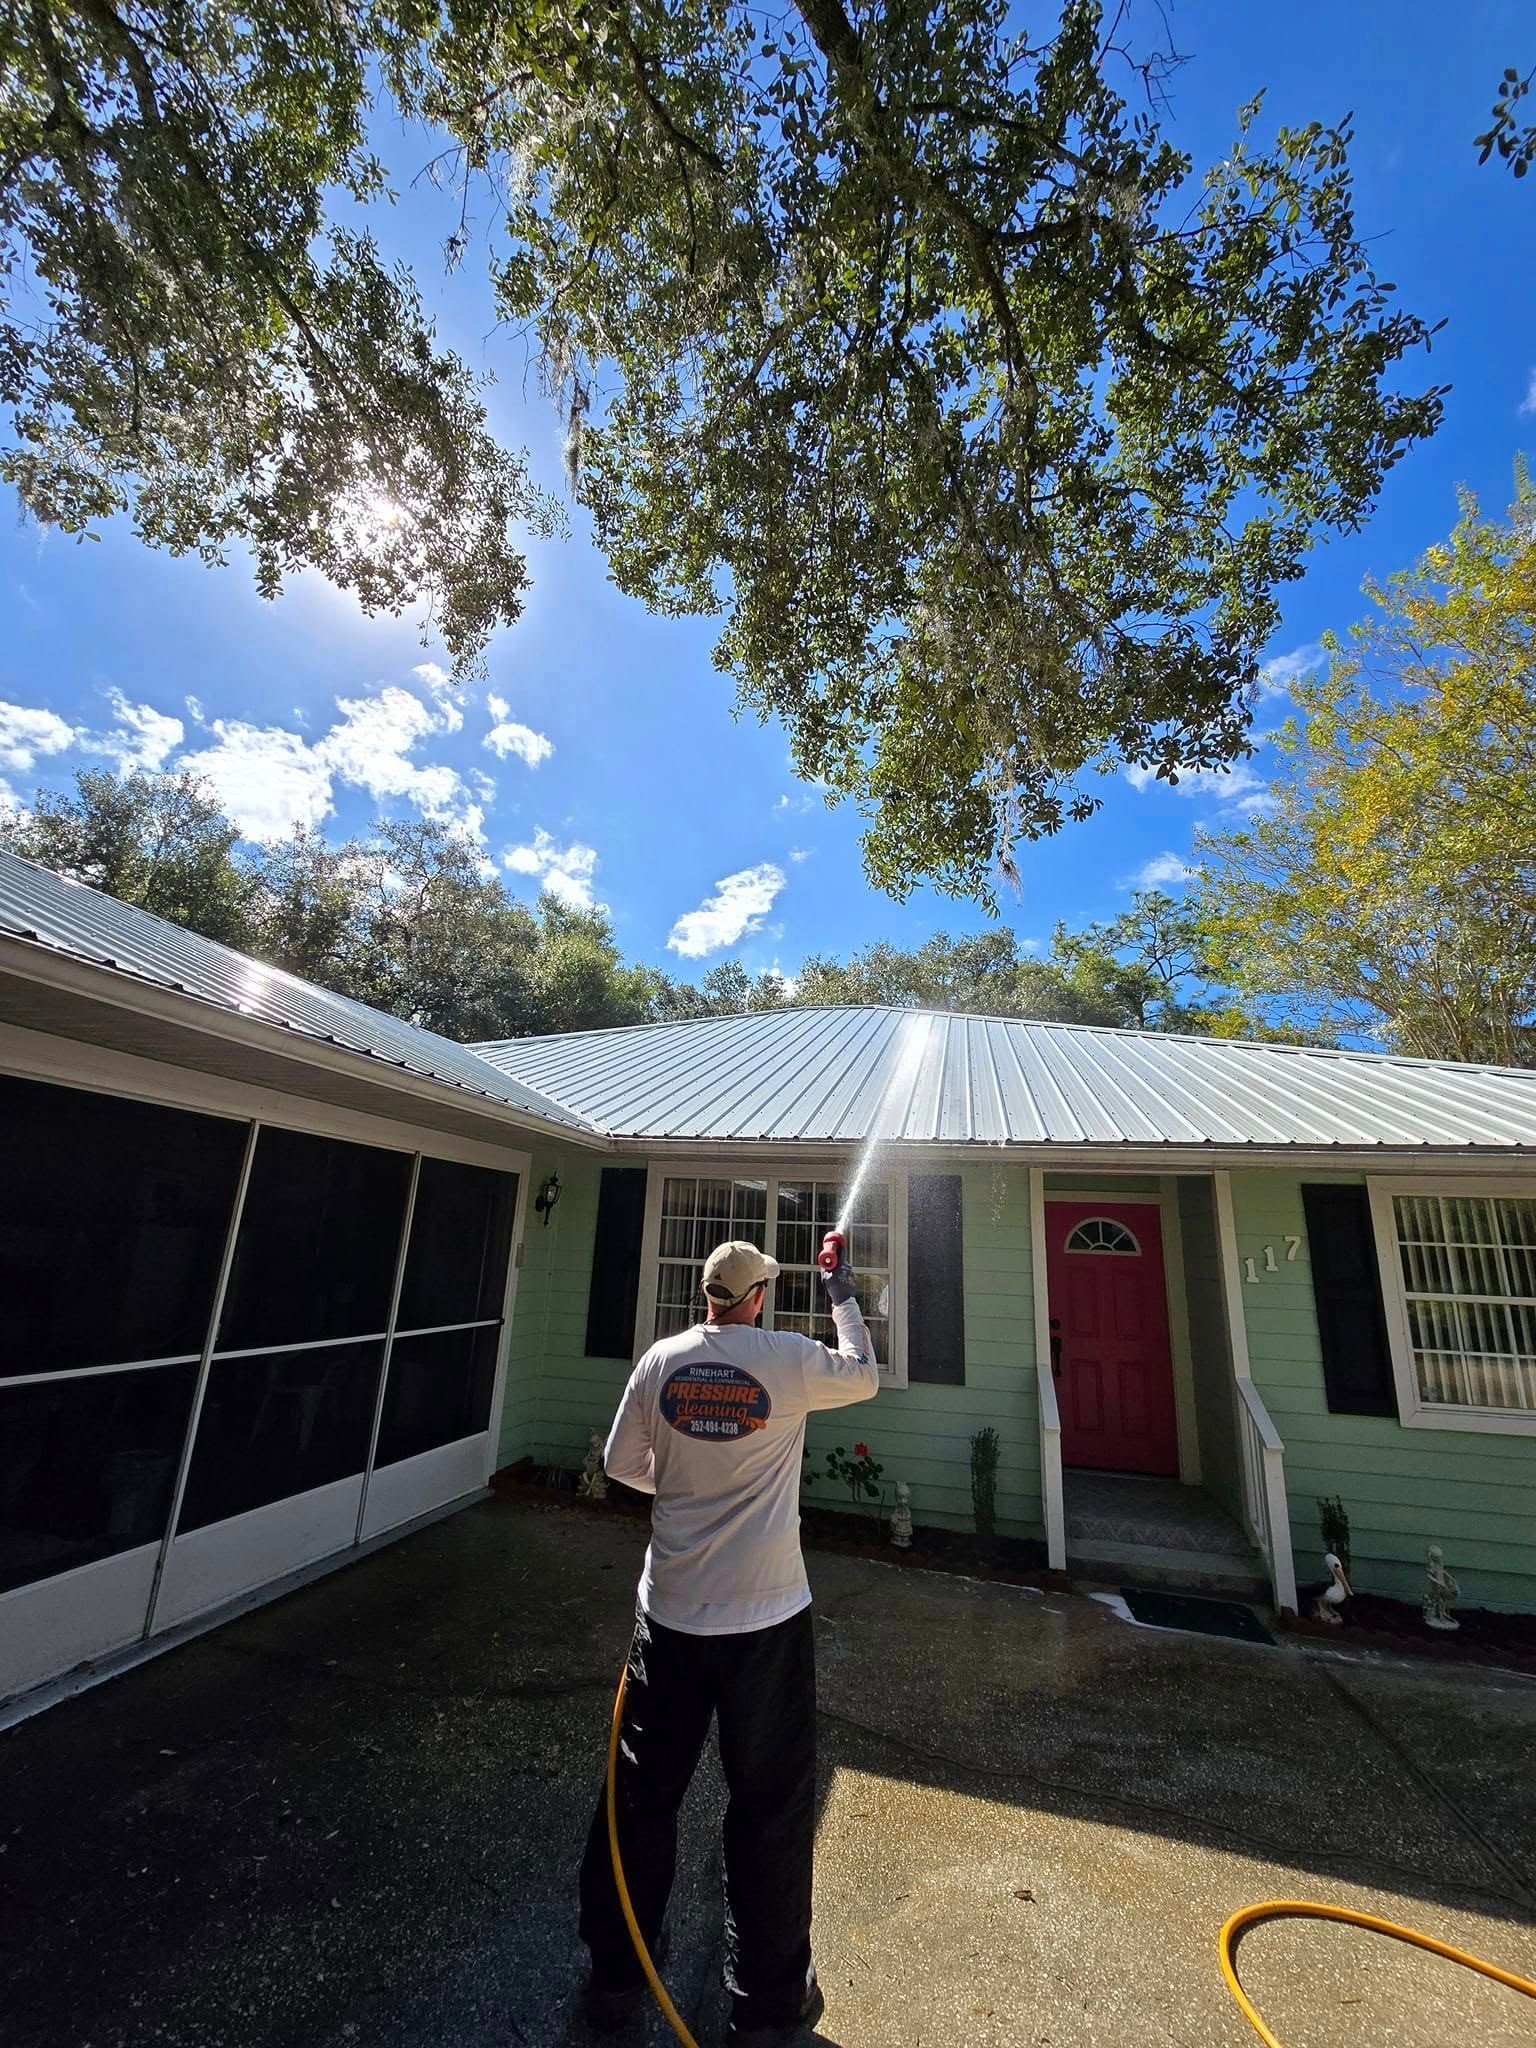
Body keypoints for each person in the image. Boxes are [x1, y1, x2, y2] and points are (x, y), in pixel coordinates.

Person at [578, 1237, 879, 2044]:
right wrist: (840, 1287)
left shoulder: (662, 1360)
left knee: (641, 1799)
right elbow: (865, 1369)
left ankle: (616, 1969)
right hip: (767, 1623)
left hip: (670, 1618)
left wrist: (682, 1482)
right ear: (756, 1299)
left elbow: (619, 1464)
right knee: (771, 1811)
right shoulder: (785, 1360)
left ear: (708, 1295)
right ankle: (767, 2009)